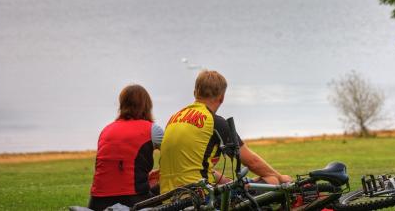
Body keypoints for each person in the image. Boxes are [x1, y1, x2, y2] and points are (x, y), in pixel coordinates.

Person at [159, 70, 291, 194]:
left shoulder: (174, 118)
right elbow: (252, 162)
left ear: (195, 93)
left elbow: (192, 167)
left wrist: (228, 181)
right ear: (222, 98)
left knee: (248, 183)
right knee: (272, 180)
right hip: (200, 197)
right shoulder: (213, 121)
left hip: (168, 196)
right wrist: (280, 177)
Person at [88, 85, 164, 211]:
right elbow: (174, 154)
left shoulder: (106, 130)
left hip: (97, 201)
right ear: (147, 105)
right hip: (133, 198)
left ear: (122, 105)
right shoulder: (152, 129)